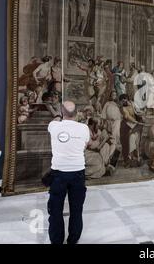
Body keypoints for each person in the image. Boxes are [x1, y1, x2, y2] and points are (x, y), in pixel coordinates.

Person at [47, 101, 90, 244]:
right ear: (77, 113)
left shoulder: (53, 126)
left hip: (59, 173)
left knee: (55, 211)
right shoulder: (84, 128)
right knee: (76, 210)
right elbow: (84, 146)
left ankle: (57, 241)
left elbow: (55, 120)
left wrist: (59, 115)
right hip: (78, 172)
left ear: (61, 112)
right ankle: (73, 240)